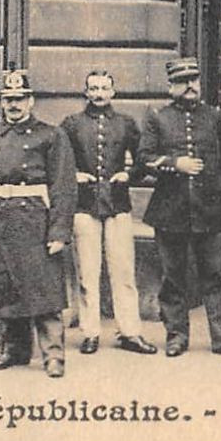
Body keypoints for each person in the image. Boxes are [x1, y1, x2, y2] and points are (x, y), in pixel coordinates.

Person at [0, 66, 76, 376]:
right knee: (6, 287)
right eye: (8, 99)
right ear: (1, 102)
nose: (14, 105)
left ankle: (54, 356)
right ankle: (15, 350)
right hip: (0, 221)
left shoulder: (51, 136)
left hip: (36, 221)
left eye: (20, 98)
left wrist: (60, 230)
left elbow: (64, 186)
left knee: (43, 290)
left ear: (31, 101)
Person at [138, 56, 221, 359]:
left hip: (209, 212)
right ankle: (176, 336)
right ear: (171, 86)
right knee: (173, 277)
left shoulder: (215, 117)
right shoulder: (157, 118)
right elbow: (144, 158)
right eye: (182, 81)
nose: (190, 87)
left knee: (216, 276)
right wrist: (176, 164)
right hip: (170, 212)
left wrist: (219, 195)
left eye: (194, 80)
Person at [61, 69, 158, 356]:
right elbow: (58, 159)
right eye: (94, 88)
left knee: (123, 272)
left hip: (117, 205)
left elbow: (145, 156)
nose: (99, 93)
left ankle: (129, 332)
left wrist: (131, 176)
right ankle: (90, 333)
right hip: (84, 206)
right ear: (86, 92)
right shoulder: (72, 124)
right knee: (87, 274)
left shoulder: (126, 124)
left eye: (104, 88)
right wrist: (74, 175)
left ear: (113, 92)